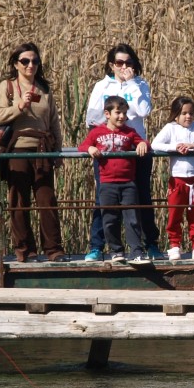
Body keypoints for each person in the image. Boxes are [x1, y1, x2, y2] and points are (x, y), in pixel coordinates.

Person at [0, 42, 67, 263]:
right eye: (25, 61)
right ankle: (25, 250)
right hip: (17, 148)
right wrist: (20, 107)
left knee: (47, 199)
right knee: (19, 201)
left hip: (42, 149)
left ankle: (54, 249)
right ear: (16, 64)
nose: (30, 65)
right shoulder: (8, 86)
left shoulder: (44, 89)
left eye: (34, 60)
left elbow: (54, 123)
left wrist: (58, 152)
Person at [84, 44, 160, 260]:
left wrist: (132, 84)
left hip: (136, 148)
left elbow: (143, 111)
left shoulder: (140, 84)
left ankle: (150, 244)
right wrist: (101, 139)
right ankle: (97, 246)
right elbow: (92, 117)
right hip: (108, 150)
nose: (124, 66)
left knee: (141, 196)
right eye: (119, 62)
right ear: (111, 65)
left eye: (128, 62)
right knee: (104, 199)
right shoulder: (102, 86)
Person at [79, 96, 150, 264]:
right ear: (107, 113)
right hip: (107, 182)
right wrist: (89, 148)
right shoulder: (97, 132)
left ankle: (136, 251)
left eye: (124, 113)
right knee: (109, 218)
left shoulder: (129, 132)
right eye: (118, 113)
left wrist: (143, 144)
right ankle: (116, 250)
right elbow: (82, 145)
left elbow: (143, 142)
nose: (122, 117)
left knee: (132, 217)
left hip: (128, 182)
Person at [151, 96, 194, 261]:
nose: (188, 116)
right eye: (184, 113)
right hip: (177, 180)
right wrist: (175, 147)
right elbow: (155, 144)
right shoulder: (170, 128)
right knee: (175, 213)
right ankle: (174, 245)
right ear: (176, 115)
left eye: (191, 113)